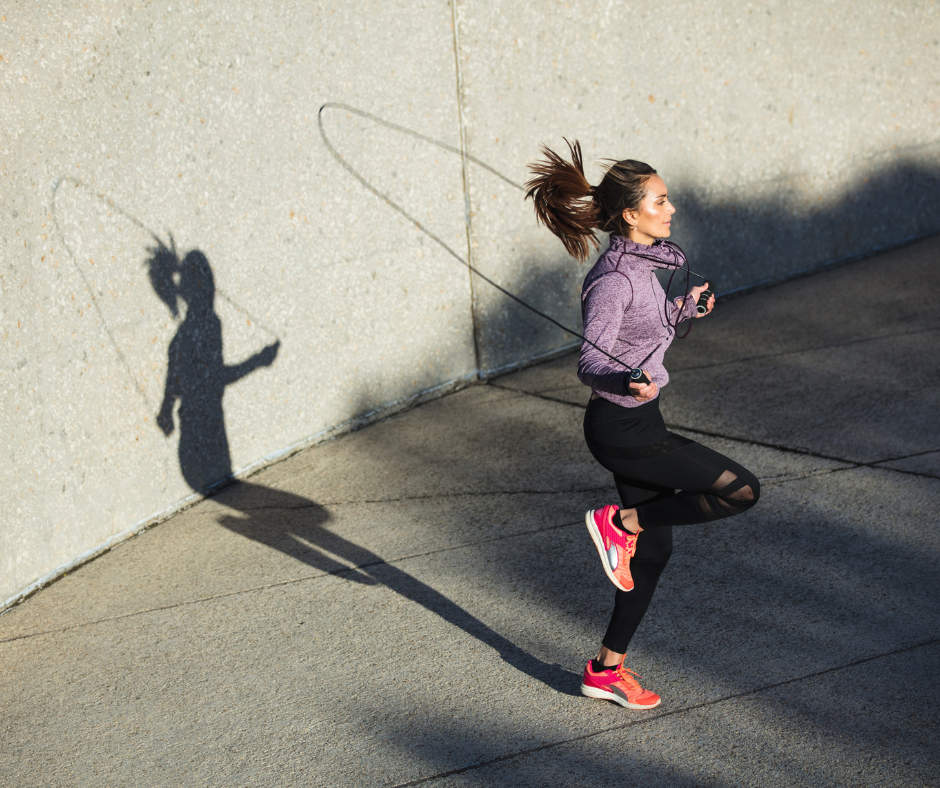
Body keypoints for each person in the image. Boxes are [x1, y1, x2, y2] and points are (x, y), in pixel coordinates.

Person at [525, 140, 760, 710]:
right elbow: (592, 360)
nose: (671, 208)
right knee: (741, 490)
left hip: (638, 419)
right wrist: (624, 380)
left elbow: (642, 332)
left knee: (653, 557)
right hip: (622, 429)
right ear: (631, 215)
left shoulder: (647, 266)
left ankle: (606, 670)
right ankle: (620, 521)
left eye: (668, 197)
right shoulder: (613, 280)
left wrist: (683, 311)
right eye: (660, 200)